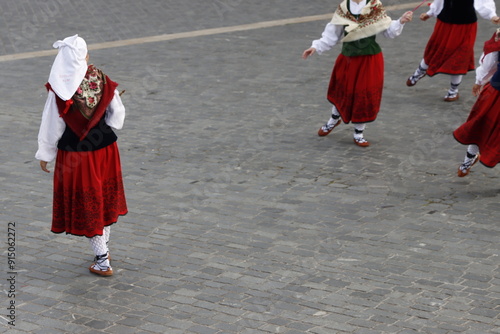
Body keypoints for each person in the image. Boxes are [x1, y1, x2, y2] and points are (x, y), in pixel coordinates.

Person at [35, 35, 127, 276]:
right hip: (105, 150)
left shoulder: (58, 88)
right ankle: (103, 250)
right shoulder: (101, 78)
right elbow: (117, 115)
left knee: (90, 204)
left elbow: (51, 126)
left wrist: (45, 153)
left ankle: (102, 260)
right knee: (103, 198)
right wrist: (103, 125)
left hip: (77, 157)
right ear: (85, 56)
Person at [303, 0, 413, 147]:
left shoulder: (374, 5)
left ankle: (359, 132)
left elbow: (388, 31)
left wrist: (401, 21)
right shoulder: (343, 8)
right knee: (342, 90)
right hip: (348, 58)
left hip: (370, 59)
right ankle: (334, 120)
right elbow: (332, 34)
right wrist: (315, 47)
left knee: (364, 93)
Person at [406, 0, 499, 102]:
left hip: (465, 26)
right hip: (444, 23)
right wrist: (430, 13)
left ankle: (453, 91)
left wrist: (492, 15)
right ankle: (419, 72)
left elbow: (483, 1)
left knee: (459, 58)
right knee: (434, 51)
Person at [453, 29, 500, 177]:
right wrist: (479, 81)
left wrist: (479, 81)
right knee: (480, 124)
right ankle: (468, 160)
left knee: (480, 124)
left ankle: (466, 163)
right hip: (496, 91)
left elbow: (490, 61)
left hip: (495, 91)